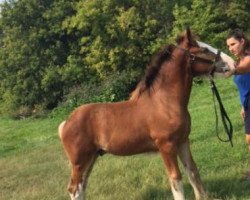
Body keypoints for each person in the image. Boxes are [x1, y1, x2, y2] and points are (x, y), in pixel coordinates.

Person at [226, 29, 250, 180]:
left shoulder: (248, 59)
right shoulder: (238, 61)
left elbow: (240, 71)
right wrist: (243, 106)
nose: (230, 48)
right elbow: (243, 86)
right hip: (247, 103)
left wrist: (215, 68)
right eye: (228, 46)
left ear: (242, 41)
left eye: (233, 44)